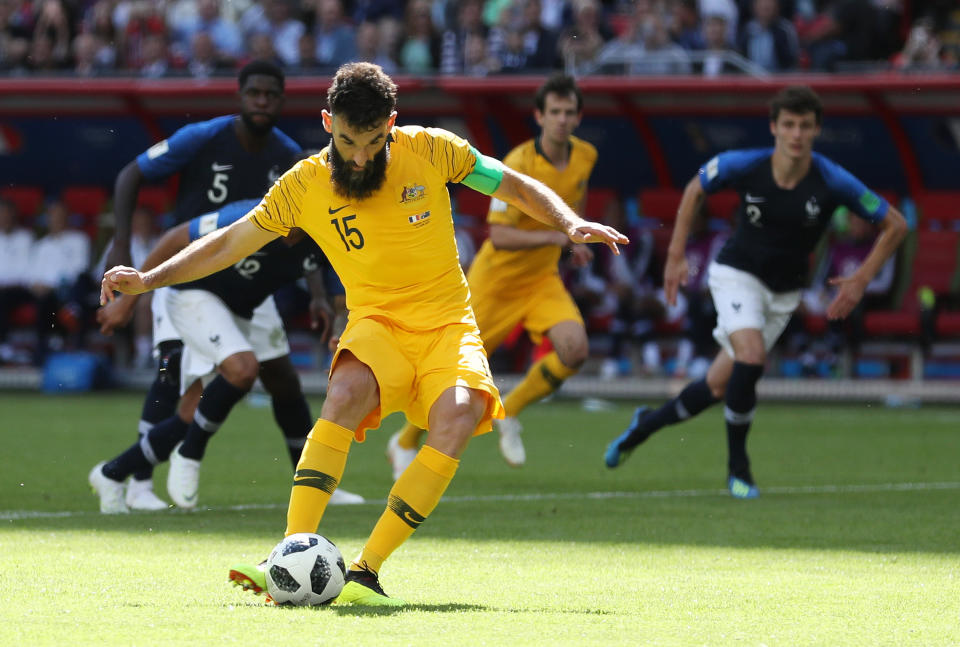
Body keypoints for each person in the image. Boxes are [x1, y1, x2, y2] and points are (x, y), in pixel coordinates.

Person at [100, 62, 628, 606]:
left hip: (448, 321)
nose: (359, 156)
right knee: (345, 392)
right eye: (348, 140)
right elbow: (230, 243)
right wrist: (149, 277)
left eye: (374, 141)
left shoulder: (433, 148)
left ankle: (367, 572)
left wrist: (567, 223)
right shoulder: (301, 185)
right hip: (376, 320)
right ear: (328, 121)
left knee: (461, 413)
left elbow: (508, 181)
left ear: (392, 125)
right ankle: (286, 557)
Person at [604, 85, 906, 499]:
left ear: (816, 130)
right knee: (751, 357)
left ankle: (643, 427)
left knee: (715, 386)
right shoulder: (745, 165)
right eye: (788, 125)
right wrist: (675, 254)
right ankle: (738, 470)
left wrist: (861, 278)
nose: (796, 134)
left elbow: (896, 224)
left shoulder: (832, 179)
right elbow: (695, 188)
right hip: (735, 274)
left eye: (804, 126)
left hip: (783, 296)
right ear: (774, 128)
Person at [103, 59, 303, 511]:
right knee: (174, 372)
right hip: (187, 275)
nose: (262, 101)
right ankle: (137, 482)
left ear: (282, 100)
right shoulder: (206, 136)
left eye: (271, 94)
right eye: (254, 92)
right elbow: (130, 175)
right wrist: (123, 255)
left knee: (281, 378)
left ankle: (313, 482)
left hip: (251, 284)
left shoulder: (289, 156)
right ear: (241, 94)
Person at [90, 198, 361, 514]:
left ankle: (112, 473)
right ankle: (189, 453)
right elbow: (176, 237)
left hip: (242, 309)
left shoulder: (327, 233)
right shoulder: (253, 214)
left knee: (193, 410)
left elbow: (342, 288)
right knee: (242, 369)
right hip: (194, 294)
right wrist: (132, 295)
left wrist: (339, 324)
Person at [388, 73, 597, 476]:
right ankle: (403, 442)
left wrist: (575, 238)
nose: (562, 119)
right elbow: (499, 236)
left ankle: (510, 412)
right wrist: (558, 241)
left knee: (575, 349)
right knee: (452, 380)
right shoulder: (520, 162)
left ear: (578, 118)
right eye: (554, 111)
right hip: (494, 284)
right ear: (539, 115)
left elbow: (576, 200)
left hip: (540, 282)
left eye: (569, 112)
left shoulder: (585, 155)